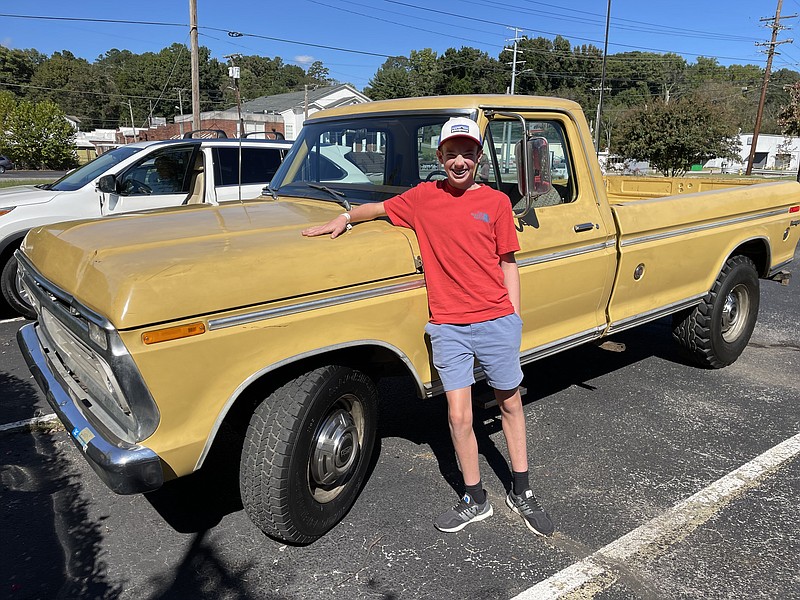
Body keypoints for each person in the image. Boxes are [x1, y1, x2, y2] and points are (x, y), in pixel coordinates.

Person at [302, 117, 554, 537]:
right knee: (458, 415)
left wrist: (514, 318)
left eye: (468, 154)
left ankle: (522, 490)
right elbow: (379, 208)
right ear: (439, 157)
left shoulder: (495, 203)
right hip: (449, 326)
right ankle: (475, 497)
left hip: (496, 320)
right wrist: (346, 218)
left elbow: (509, 262)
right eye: (451, 154)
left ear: (478, 159)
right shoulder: (422, 197)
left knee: (510, 404)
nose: (460, 162)